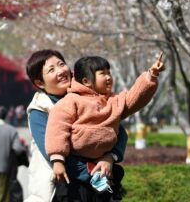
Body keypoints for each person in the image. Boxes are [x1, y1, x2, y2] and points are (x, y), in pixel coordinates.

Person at [46, 53, 165, 199]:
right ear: (86, 81)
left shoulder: (114, 101)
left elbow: (135, 97)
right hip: (75, 174)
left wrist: (151, 75)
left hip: (103, 170)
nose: (109, 77)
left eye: (109, 73)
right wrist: (58, 161)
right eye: (103, 73)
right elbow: (57, 129)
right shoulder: (71, 101)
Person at [25, 49, 129, 202]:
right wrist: (97, 175)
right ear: (40, 82)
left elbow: (118, 132)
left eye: (62, 64)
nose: (61, 71)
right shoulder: (39, 110)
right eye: (52, 70)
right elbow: (52, 151)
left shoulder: (88, 95)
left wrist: (109, 158)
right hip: (63, 187)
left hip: (98, 182)